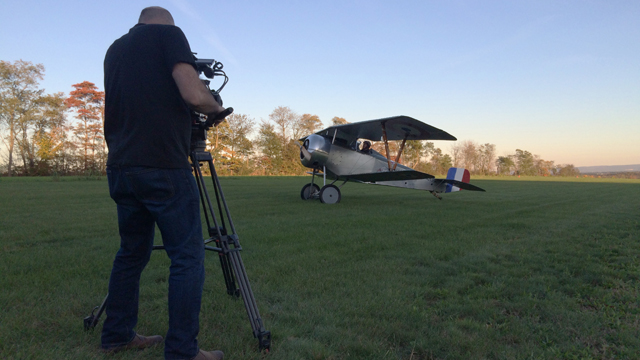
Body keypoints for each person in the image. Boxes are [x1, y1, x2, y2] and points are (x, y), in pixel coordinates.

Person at [101, 6, 228, 360]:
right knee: (187, 257)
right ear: (168, 24)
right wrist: (215, 106)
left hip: (122, 166)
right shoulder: (169, 35)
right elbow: (192, 92)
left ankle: (116, 335)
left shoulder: (115, 48)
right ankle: (184, 351)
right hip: (162, 165)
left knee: (131, 254)